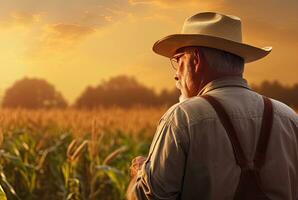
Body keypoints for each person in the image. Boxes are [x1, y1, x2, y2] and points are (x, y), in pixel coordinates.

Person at [127, 12, 298, 200]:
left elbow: (149, 197)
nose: (176, 74)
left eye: (178, 60)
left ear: (196, 60)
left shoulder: (181, 118)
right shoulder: (290, 118)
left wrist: (140, 175)